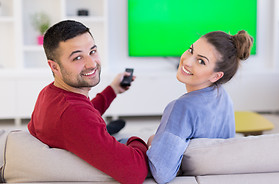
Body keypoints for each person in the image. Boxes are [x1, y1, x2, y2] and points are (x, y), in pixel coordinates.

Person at [27, 20, 148, 184]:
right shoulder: (73, 114)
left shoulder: (50, 93)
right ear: (54, 67)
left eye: (92, 51)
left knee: (107, 126)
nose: (91, 64)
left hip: (78, 137)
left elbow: (86, 111)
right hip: (84, 138)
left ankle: (107, 128)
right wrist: (138, 141)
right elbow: (136, 172)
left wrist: (112, 89)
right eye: (77, 57)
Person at [147, 30, 253, 184]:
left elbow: (161, 172)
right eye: (191, 50)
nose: (187, 61)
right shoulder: (223, 97)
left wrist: (152, 141)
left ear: (216, 76)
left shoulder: (182, 108)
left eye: (201, 61)